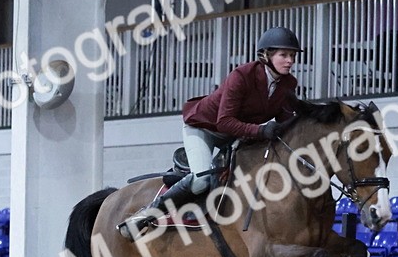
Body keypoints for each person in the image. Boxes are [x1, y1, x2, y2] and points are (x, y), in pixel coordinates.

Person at [118, 26, 305, 240]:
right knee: (201, 181)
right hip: (204, 127)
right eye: (284, 55)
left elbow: (285, 120)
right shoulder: (242, 76)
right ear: (266, 55)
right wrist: (261, 130)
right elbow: (224, 122)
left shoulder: (288, 83)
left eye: (292, 56)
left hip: (235, 136)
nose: (290, 61)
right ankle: (146, 215)